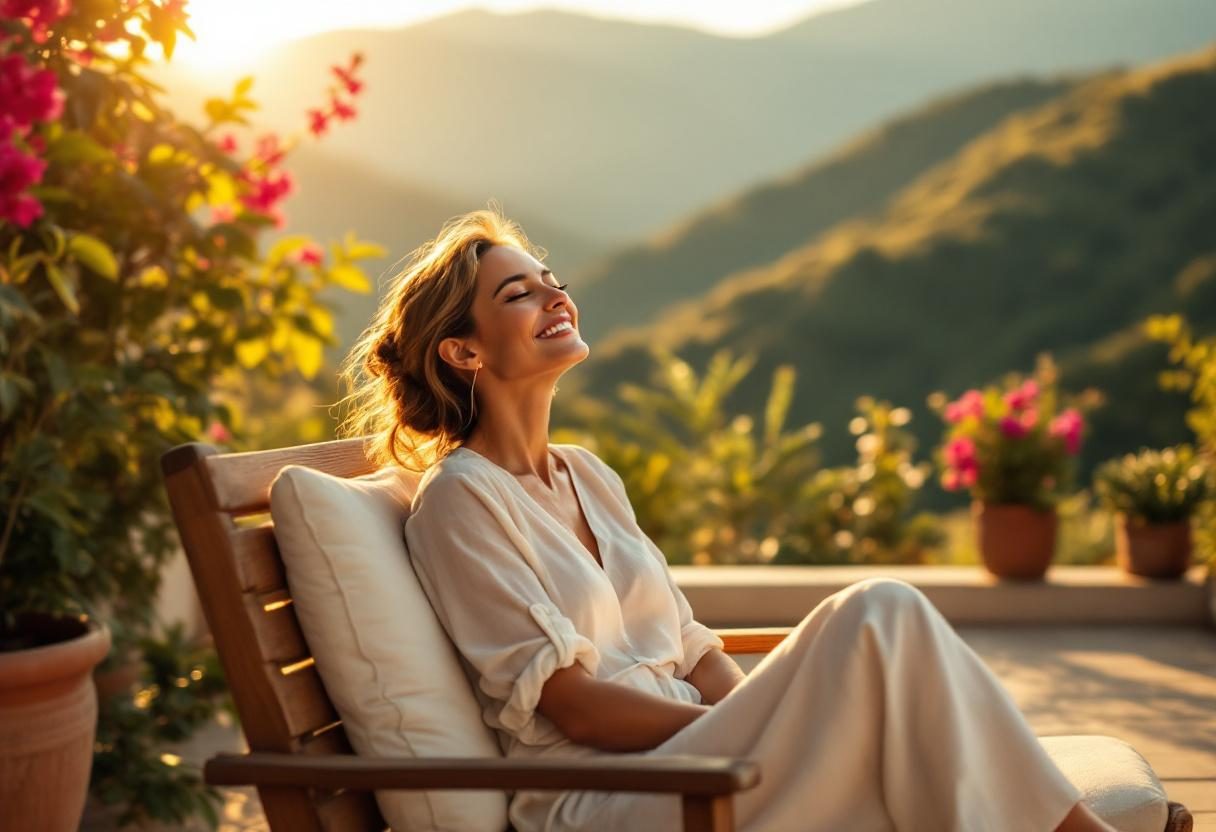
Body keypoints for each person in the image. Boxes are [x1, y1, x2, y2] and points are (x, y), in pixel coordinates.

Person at [337, 206, 1119, 832]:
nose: (555, 297)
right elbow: (571, 704)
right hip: (606, 797)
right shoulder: (460, 503)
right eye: (519, 294)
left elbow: (692, 649)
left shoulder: (589, 476)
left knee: (895, 652)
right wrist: (749, 726)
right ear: (463, 353)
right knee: (880, 612)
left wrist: (753, 722)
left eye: (552, 280)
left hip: (697, 758)